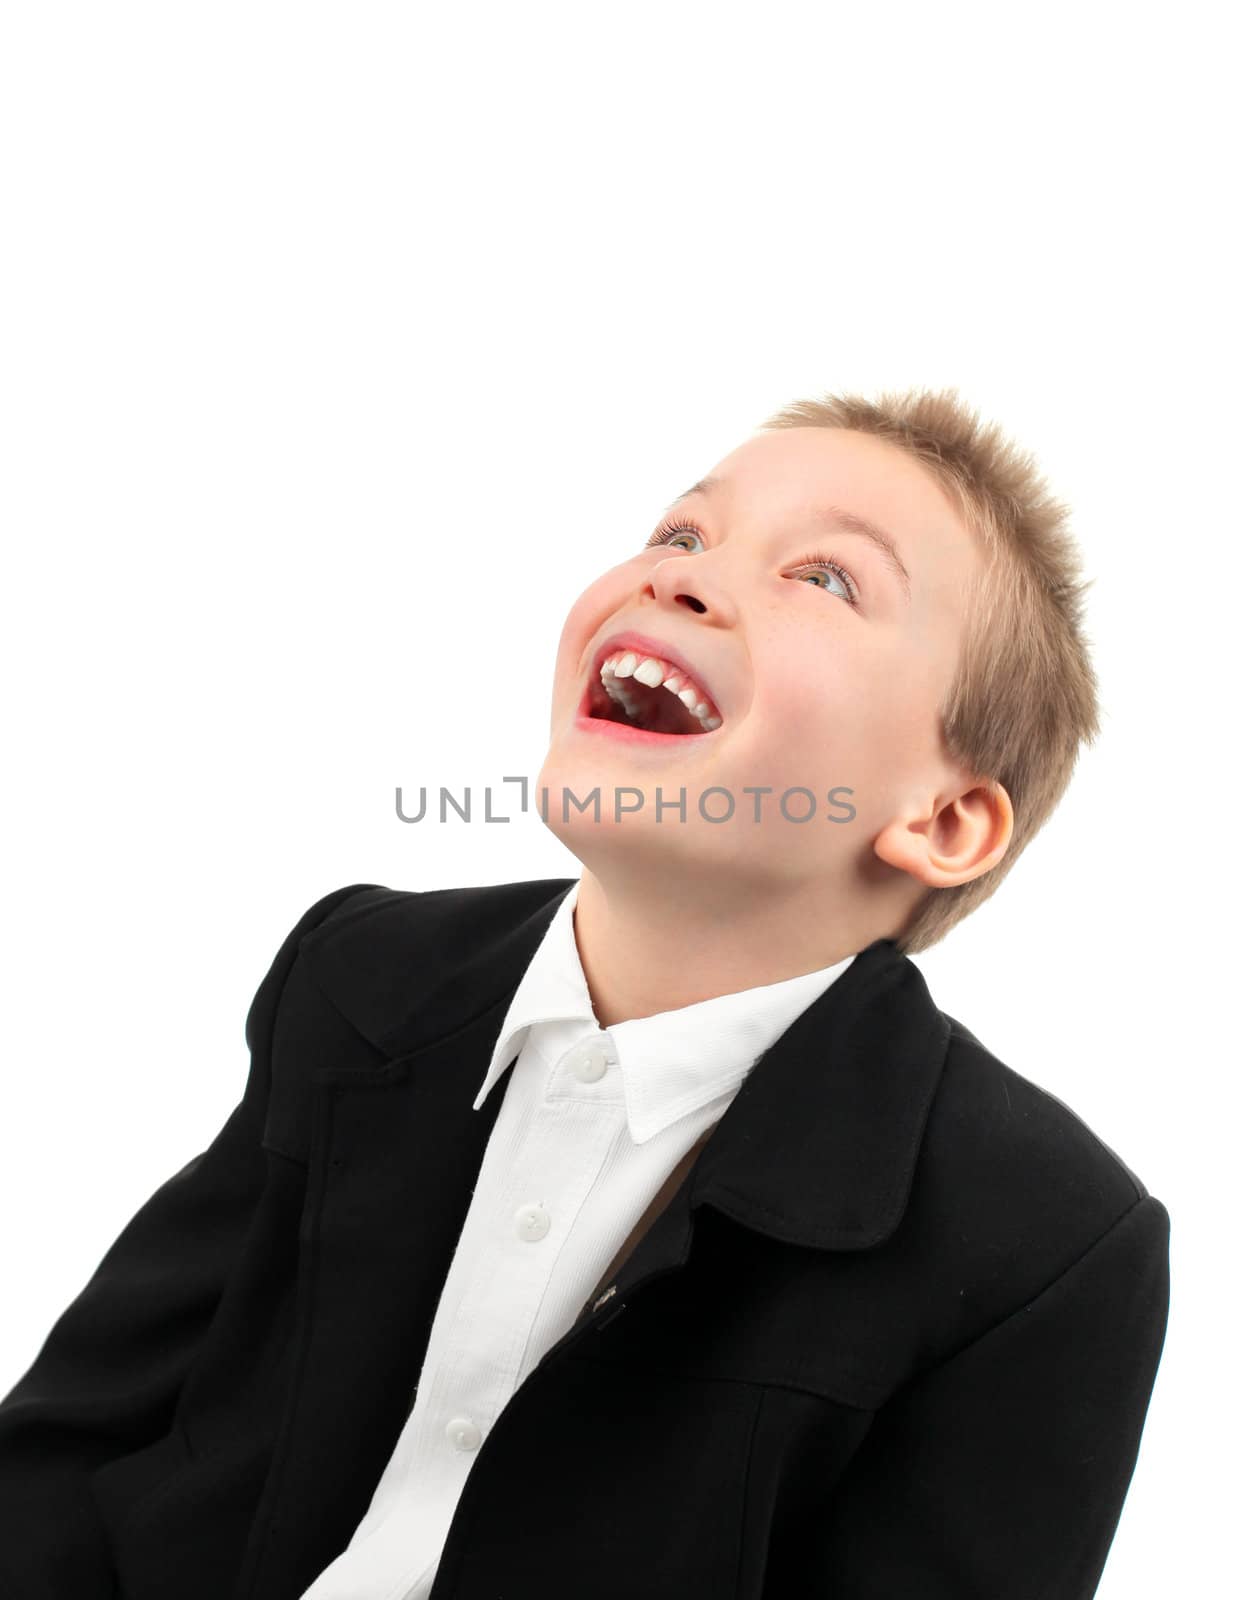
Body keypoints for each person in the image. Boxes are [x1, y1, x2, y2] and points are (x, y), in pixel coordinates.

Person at [0, 388, 1170, 1599]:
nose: (682, 577)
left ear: (940, 819)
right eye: (680, 534)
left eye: (824, 579)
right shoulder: (358, 976)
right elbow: (75, 1440)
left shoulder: (1045, 1245)